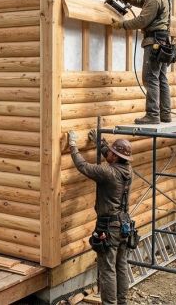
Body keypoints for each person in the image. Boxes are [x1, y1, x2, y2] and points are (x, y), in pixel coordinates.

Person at [67, 130, 133, 305]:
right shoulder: (127, 169)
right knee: (121, 265)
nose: (108, 153)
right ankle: (122, 302)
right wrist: (100, 142)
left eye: (111, 152)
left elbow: (83, 166)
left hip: (110, 227)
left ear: (116, 156)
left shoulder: (108, 173)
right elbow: (111, 155)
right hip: (124, 224)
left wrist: (73, 146)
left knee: (108, 269)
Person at [112, 0, 172, 124]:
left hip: (154, 42)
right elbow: (145, 2)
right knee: (161, 78)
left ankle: (153, 115)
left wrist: (122, 25)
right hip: (164, 42)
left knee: (150, 78)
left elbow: (142, 20)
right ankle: (165, 114)